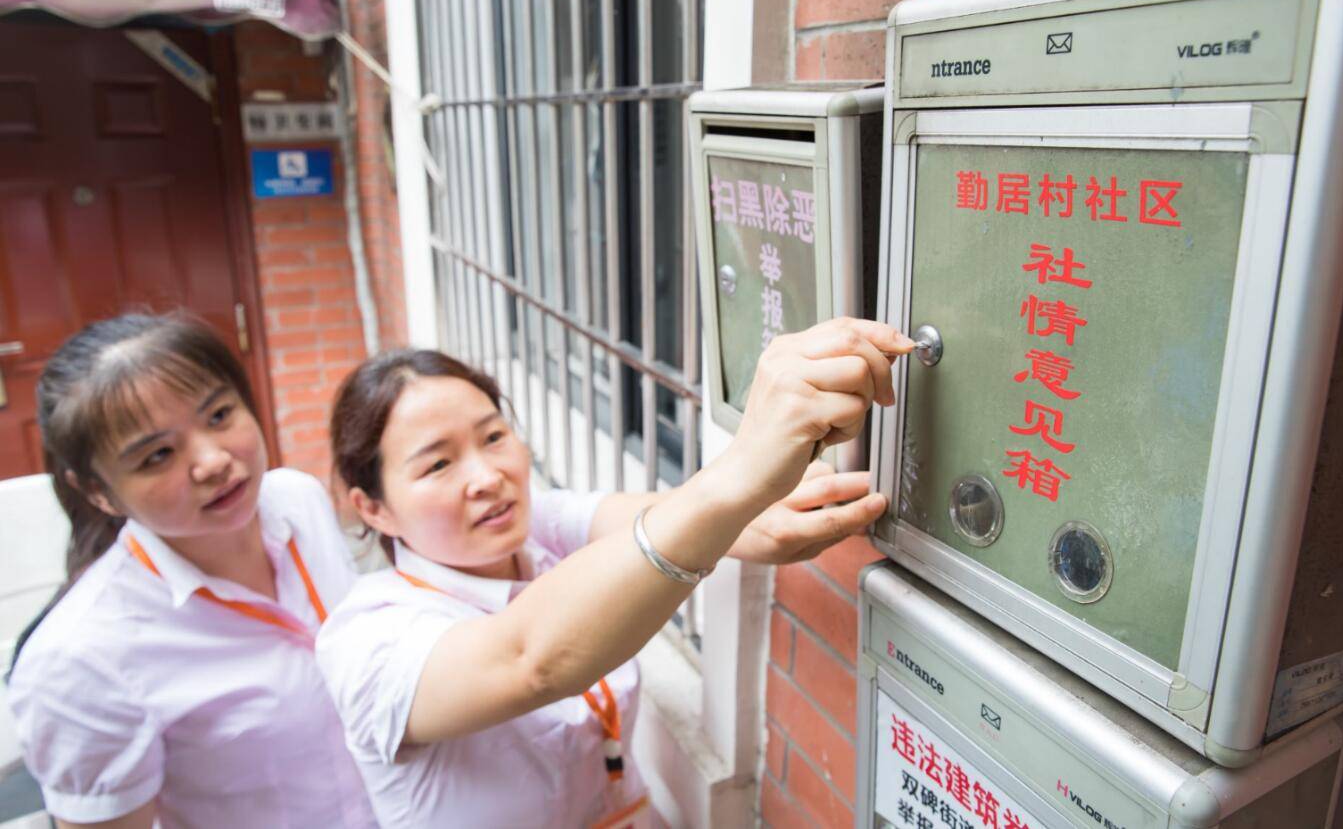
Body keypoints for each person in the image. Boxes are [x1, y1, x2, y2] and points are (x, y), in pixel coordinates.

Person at [316, 317, 913, 828]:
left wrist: (784, 491)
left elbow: (673, 518)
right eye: (439, 464)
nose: (487, 477)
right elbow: (531, 661)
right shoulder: (367, 643)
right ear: (373, 507)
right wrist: (739, 474)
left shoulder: (531, 525)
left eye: (493, 436)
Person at [5, 314, 376, 829]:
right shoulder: (80, 661)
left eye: (219, 415)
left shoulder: (297, 500)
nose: (213, 460)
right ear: (97, 491)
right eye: (158, 455)